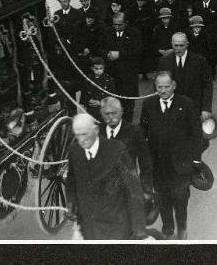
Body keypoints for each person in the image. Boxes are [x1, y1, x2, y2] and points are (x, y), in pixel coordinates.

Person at [140, 71, 203, 240]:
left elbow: (197, 134)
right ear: (155, 87)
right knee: (162, 198)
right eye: (159, 87)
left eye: (167, 86)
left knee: (181, 199)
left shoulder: (186, 104)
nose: (163, 90)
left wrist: (196, 159)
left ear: (173, 85)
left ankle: (182, 229)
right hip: (158, 165)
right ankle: (167, 228)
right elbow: (143, 131)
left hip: (180, 164)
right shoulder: (148, 104)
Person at [66, 113, 147, 240]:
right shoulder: (74, 151)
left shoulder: (116, 150)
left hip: (115, 227)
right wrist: (71, 202)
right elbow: (71, 180)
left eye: (84, 134)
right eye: (77, 135)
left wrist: (139, 228)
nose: (81, 140)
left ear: (96, 130)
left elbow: (133, 190)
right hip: (88, 227)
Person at [100, 97, 154, 196]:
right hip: (102, 190)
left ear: (121, 112)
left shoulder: (134, 132)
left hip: (127, 189)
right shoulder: (97, 132)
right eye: (107, 114)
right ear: (101, 114)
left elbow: (145, 163)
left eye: (114, 113)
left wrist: (146, 190)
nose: (111, 117)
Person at [157, 32, 213, 123]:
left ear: (187, 44)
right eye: (176, 46)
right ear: (171, 44)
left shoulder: (199, 62)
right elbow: (158, 85)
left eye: (181, 45)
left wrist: (206, 108)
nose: (178, 49)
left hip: (194, 109)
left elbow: (207, 85)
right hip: (172, 110)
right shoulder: (164, 62)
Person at [99, 12, 142, 122]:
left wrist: (120, 54)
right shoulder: (108, 32)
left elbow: (137, 52)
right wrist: (107, 54)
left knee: (127, 104)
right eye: (115, 24)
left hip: (128, 74)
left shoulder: (134, 33)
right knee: (113, 102)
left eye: (119, 24)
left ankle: (127, 124)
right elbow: (101, 47)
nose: (117, 27)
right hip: (113, 74)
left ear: (126, 23)